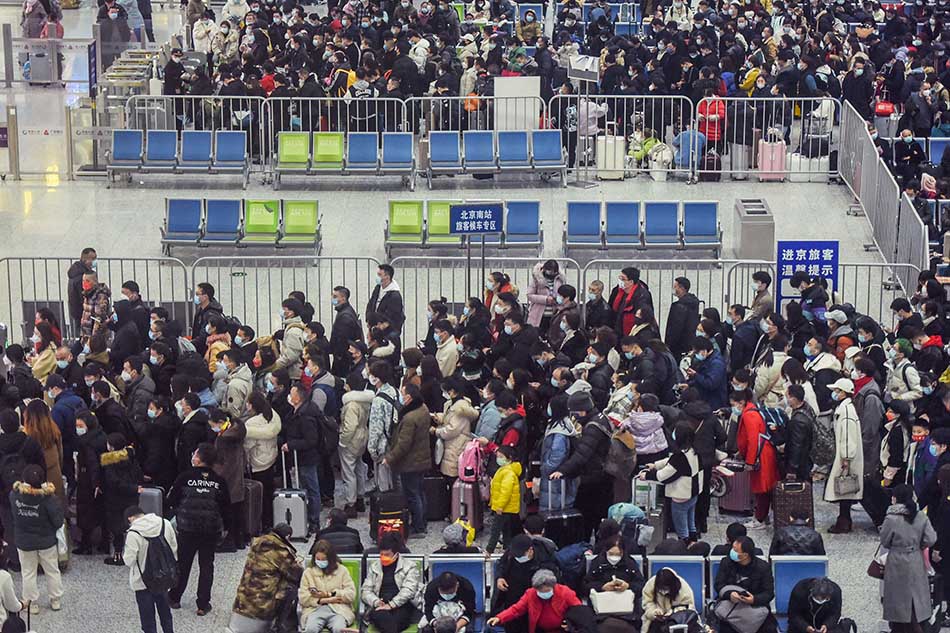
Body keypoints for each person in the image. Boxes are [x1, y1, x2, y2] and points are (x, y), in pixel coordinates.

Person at [167, 442, 230, 616]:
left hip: (187, 528)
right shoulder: (219, 481)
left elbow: (172, 500)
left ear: (199, 458)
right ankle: (203, 604)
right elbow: (226, 507)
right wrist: (226, 528)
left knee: (183, 563)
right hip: (210, 529)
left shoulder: (185, 477)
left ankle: (174, 597)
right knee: (206, 565)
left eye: (195, 453)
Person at [550, 391, 613, 539]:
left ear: (582, 411)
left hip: (594, 479)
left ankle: (585, 546)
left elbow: (583, 454)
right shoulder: (600, 418)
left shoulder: (593, 428)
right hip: (603, 476)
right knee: (598, 515)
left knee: (586, 516)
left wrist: (562, 470)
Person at [881, 484, 937, 633]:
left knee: (898, 597)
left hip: (897, 560)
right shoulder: (921, 516)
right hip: (916, 558)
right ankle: (917, 624)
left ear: (895, 498)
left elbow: (885, 541)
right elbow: (931, 538)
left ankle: (900, 627)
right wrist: (919, 545)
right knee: (916, 595)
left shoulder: (891, 518)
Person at [228, 523, 304, 633]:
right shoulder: (280, 551)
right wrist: (298, 565)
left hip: (242, 603)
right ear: (287, 537)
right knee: (291, 588)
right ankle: (280, 625)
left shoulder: (257, 545)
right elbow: (296, 574)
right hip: (261, 608)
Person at [11, 464, 64, 615]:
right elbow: (58, 521)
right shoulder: (48, 498)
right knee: (52, 570)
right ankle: (55, 600)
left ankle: (31, 602)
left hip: (24, 541)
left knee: (28, 572)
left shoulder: (14, 495)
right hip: (46, 541)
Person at [640, 422, 702, 542]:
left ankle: (685, 548)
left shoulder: (679, 457)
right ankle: (694, 546)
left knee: (682, 529)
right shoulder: (694, 450)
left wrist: (646, 475)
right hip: (693, 493)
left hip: (681, 497)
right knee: (691, 525)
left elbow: (663, 476)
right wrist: (655, 465)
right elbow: (671, 460)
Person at [383, 384, 431, 538]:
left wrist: (389, 458)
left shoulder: (410, 418)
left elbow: (403, 444)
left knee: (412, 494)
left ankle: (418, 527)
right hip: (421, 459)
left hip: (410, 462)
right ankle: (422, 522)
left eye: (402, 394)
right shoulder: (423, 409)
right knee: (420, 492)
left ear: (409, 397)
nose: (400, 397)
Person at [123, 505, 178, 633]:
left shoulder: (133, 533)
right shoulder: (165, 524)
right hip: (163, 577)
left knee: (147, 620)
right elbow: (173, 548)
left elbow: (129, 560)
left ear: (130, 518)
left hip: (143, 582)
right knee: (165, 613)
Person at [730, 390, 778, 530]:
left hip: (759, 455)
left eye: (734, 404)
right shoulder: (752, 411)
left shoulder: (749, 415)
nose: (733, 407)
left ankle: (759, 519)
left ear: (741, 402)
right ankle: (764, 515)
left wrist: (750, 462)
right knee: (765, 487)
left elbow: (752, 440)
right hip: (763, 452)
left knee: (761, 488)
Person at [361, 532, 423, 633]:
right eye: (381, 554)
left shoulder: (409, 566)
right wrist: (376, 602)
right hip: (380, 606)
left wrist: (391, 605)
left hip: (401, 605)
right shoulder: (375, 567)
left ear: (396, 554)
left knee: (395, 621)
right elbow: (366, 590)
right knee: (383, 617)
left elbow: (408, 590)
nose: (383, 557)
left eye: (387, 555)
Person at [713, 536, 777, 633]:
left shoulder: (763, 567)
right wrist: (729, 594)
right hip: (731, 606)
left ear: (745, 555)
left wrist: (754, 599)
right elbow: (718, 585)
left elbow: (769, 593)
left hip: (755, 608)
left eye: (735, 550)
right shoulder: (726, 562)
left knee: (770, 628)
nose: (731, 551)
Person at [281, 384, 322, 533]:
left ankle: (314, 521)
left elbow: (311, 440)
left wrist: (291, 445)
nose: (289, 396)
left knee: (311, 490)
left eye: (292, 393)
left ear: (298, 398)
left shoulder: (305, 415)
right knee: (308, 489)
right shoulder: (300, 411)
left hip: (306, 458)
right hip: (301, 457)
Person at [824, 378, 863, 534]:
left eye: (836, 391)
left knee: (845, 490)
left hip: (846, 457)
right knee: (845, 491)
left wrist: (846, 458)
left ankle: (844, 522)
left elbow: (848, 437)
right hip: (845, 455)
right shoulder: (845, 409)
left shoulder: (846, 411)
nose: (834, 393)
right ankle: (844, 520)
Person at [487, 568, 581, 632]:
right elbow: (516, 609)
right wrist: (500, 617)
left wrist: (572, 625)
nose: (542, 593)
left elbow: (580, 613)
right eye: (539, 590)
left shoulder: (566, 593)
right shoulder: (530, 593)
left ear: (553, 586)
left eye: (546, 591)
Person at [584, 535, 645, 629]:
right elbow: (585, 585)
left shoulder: (630, 564)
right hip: (602, 614)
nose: (614, 557)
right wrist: (602, 587)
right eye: (611, 554)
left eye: (618, 554)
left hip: (627, 613)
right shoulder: (597, 564)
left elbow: (641, 585)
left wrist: (628, 586)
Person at [299, 539, 357, 633]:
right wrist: (323, 600)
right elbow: (303, 598)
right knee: (310, 629)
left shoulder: (342, 571)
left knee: (339, 629)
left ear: (330, 558)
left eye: (324, 559)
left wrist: (332, 594)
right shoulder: (308, 573)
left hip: (339, 610)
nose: (320, 562)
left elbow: (351, 594)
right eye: (318, 559)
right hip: (314, 610)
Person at [72, 411, 108, 556]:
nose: (78, 428)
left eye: (80, 425)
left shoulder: (85, 443)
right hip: (102, 479)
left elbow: (92, 463)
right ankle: (104, 542)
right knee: (101, 511)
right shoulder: (101, 435)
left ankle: (85, 544)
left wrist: (94, 483)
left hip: (87, 481)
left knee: (85, 511)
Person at [210, 408, 247, 552]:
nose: (212, 428)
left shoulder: (224, 439)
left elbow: (221, 462)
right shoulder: (236, 430)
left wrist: (215, 476)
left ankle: (230, 541)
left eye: (212, 424)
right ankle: (239, 540)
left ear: (220, 422)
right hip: (237, 477)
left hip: (227, 479)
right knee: (237, 510)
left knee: (229, 512)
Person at [244, 392, 281, 531]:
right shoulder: (273, 415)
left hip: (257, 463)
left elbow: (248, 445)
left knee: (259, 497)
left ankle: (259, 524)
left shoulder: (252, 423)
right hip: (270, 458)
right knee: (268, 495)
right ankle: (269, 522)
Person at [338, 374, 371, 517]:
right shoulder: (365, 401)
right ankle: (360, 498)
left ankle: (350, 504)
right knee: (359, 467)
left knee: (348, 472)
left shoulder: (351, 404)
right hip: (363, 436)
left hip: (352, 440)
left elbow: (350, 426)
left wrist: (342, 441)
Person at [433, 377, 477, 481]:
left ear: (452, 391)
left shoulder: (461, 409)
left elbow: (452, 430)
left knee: (452, 478)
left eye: (445, 391)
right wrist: (440, 419)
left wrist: (436, 431)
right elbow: (448, 418)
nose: (443, 394)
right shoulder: (450, 404)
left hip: (456, 447)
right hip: (450, 447)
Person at [22, 400, 64, 507]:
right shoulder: (54, 430)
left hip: (35, 478)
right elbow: (60, 454)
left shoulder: (25, 436)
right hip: (55, 473)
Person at [487, 445, 522, 553]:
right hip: (508, 508)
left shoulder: (508, 472)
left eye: (501, 456)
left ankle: (489, 550)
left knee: (496, 530)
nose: (499, 459)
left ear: (509, 458)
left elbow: (505, 491)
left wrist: (499, 506)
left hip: (503, 507)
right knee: (506, 530)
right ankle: (507, 549)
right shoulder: (506, 470)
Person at [641, 567, 695, 633]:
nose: (663, 592)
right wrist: (653, 612)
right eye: (661, 588)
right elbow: (647, 603)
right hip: (655, 620)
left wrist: (672, 613)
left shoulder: (684, 589)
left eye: (666, 588)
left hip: (677, 621)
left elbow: (688, 609)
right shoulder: (651, 584)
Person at [665, 277, 701, 359]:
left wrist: (669, 344)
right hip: (689, 342)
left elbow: (676, 328)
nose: (673, 289)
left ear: (681, 288)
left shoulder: (679, 306)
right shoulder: (693, 303)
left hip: (678, 346)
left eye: (675, 287)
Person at [366, 265, 406, 332]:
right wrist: (368, 319)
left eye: (379, 275)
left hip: (387, 330)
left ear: (387, 277)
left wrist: (383, 325)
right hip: (374, 324)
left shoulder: (395, 295)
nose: (377, 277)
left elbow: (395, 316)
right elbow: (371, 304)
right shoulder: (378, 288)